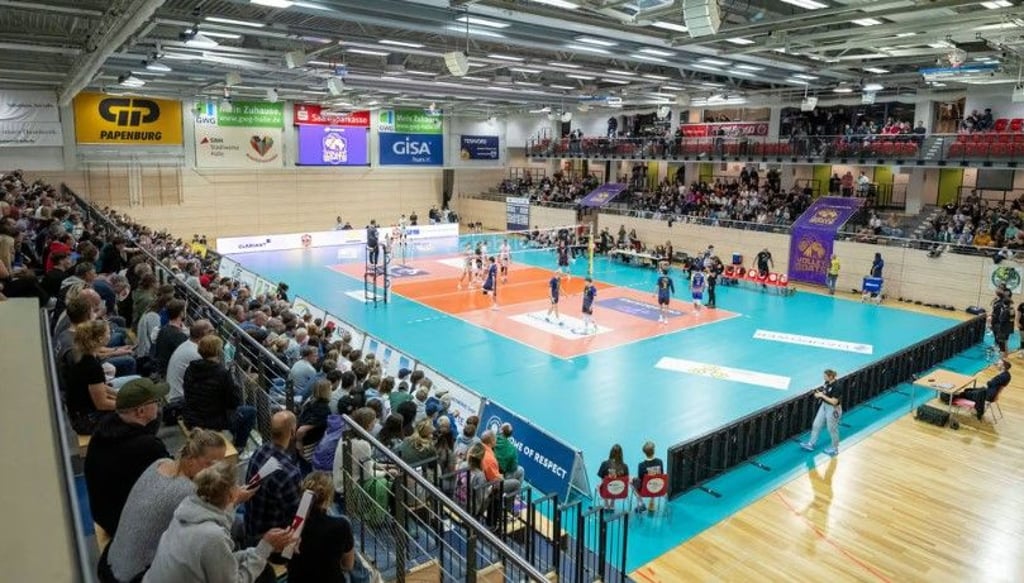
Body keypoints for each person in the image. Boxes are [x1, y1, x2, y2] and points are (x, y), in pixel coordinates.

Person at [102, 430, 240, 583]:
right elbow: (215, 530)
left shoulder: (160, 463)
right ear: (191, 460)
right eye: (211, 464)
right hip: (132, 577)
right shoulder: (188, 492)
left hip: (111, 559)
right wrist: (233, 502)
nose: (216, 470)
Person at [142, 461, 295, 583]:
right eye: (236, 485)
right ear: (229, 495)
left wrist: (257, 551)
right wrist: (264, 548)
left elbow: (222, 561)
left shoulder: (187, 507)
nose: (239, 487)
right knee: (265, 574)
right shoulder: (213, 536)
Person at [85, 378, 170, 537]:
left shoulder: (102, 432)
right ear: (141, 412)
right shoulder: (148, 446)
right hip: (124, 524)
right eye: (156, 402)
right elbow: (173, 479)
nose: (159, 406)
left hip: (104, 515)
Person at [182, 335, 257, 452]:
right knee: (250, 412)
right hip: (211, 421)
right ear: (217, 351)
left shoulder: (190, 368)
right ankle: (239, 447)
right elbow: (234, 402)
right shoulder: (221, 373)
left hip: (191, 417)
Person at [243, 411, 303, 549]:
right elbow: (296, 518)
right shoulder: (290, 473)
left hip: (250, 526)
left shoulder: (260, 450)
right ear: (293, 432)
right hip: (269, 542)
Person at [285, 472, 356, 583]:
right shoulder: (342, 525)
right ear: (329, 497)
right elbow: (348, 565)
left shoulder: (291, 523)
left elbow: (285, 560)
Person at [67, 319, 119, 434]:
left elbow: (99, 387)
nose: (110, 335)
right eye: (108, 333)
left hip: (79, 415)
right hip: (86, 421)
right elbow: (102, 404)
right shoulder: (92, 366)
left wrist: (120, 395)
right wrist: (127, 404)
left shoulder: (83, 356)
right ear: (100, 339)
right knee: (133, 414)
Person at [801, 369, 842, 456]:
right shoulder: (827, 383)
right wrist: (819, 394)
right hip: (824, 406)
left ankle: (835, 448)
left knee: (832, 429)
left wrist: (822, 395)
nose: (824, 377)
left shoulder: (837, 386)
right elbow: (824, 392)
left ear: (831, 376)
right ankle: (811, 444)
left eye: (825, 376)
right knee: (816, 424)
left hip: (833, 409)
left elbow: (834, 401)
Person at [632, 441, 664, 513]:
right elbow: (661, 476)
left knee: (632, 482)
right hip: (658, 488)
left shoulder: (641, 465)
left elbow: (640, 480)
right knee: (654, 480)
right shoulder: (660, 462)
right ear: (654, 451)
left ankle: (641, 503)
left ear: (644, 452)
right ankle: (652, 502)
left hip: (645, 490)